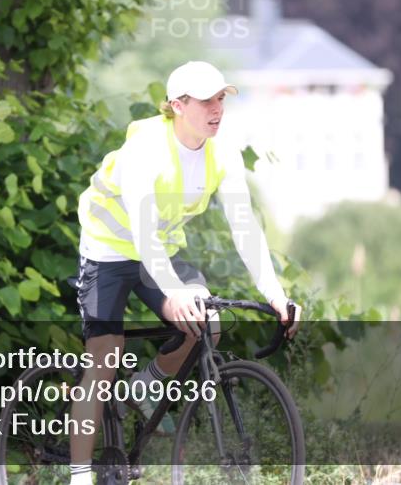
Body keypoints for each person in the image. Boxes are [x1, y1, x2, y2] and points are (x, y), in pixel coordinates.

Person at [68, 60, 301, 485]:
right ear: (177, 105)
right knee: (103, 359)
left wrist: (275, 293)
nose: (218, 108)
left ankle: (141, 389)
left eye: (221, 98)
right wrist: (174, 291)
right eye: (206, 100)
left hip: (160, 251)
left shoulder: (222, 154)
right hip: (108, 249)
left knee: (206, 325)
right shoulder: (147, 149)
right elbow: (141, 232)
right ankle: (80, 475)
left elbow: (245, 228)